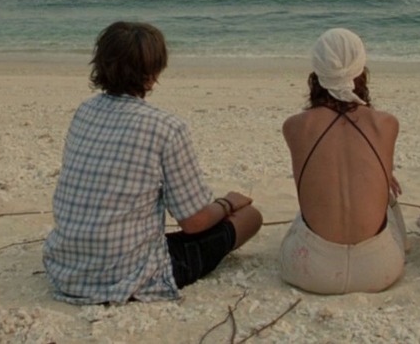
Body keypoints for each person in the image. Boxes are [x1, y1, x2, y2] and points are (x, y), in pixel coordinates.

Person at [42, 21, 262, 304]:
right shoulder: (166, 127)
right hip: (129, 276)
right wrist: (227, 203)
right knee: (250, 218)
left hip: (66, 269)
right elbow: (194, 222)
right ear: (153, 74)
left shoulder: (85, 111)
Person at [279, 28, 407, 294]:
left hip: (311, 270)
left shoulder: (294, 127)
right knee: (389, 199)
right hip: (379, 269)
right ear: (361, 71)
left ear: (315, 74)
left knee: (307, 208)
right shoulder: (387, 124)